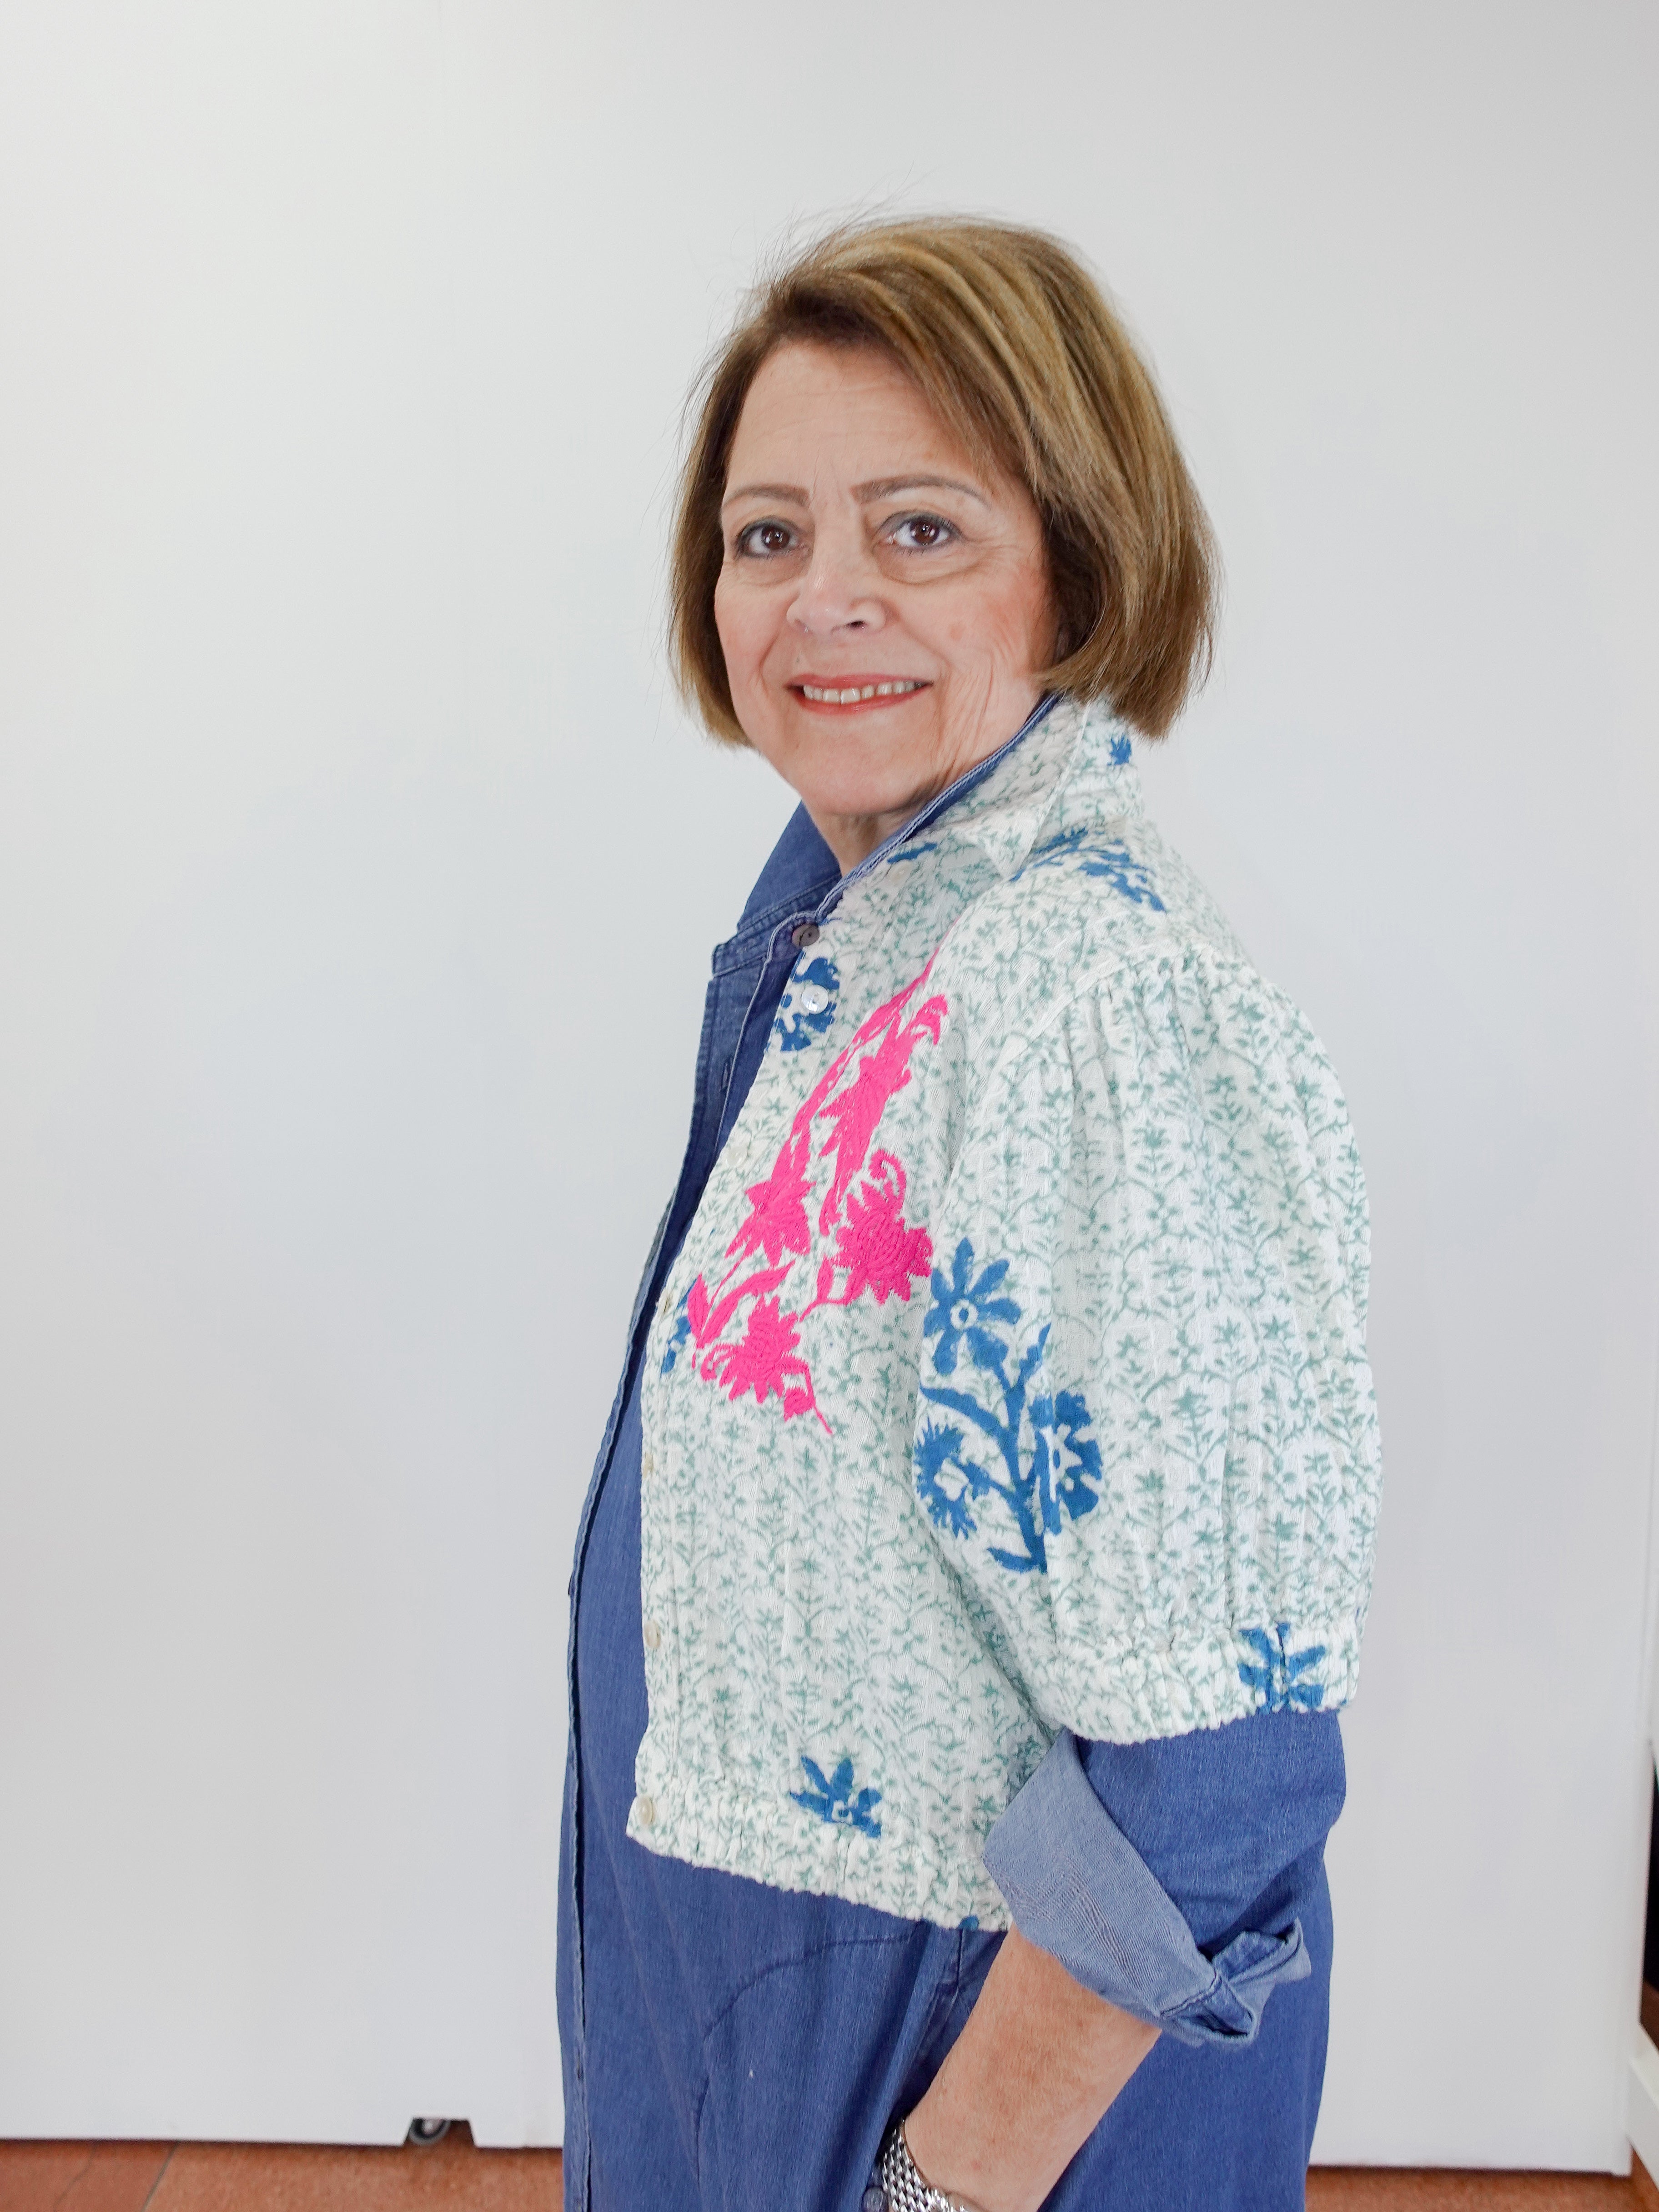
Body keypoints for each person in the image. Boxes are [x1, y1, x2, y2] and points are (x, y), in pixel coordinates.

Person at [556, 216, 1381, 2212]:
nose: (824, 597)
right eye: (769, 535)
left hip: (944, 2090)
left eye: (919, 529)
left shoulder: (1092, 1008)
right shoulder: (856, 942)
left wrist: (939, 2190)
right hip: (752, 2028)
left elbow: (1220, 1772)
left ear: (1076, 563)